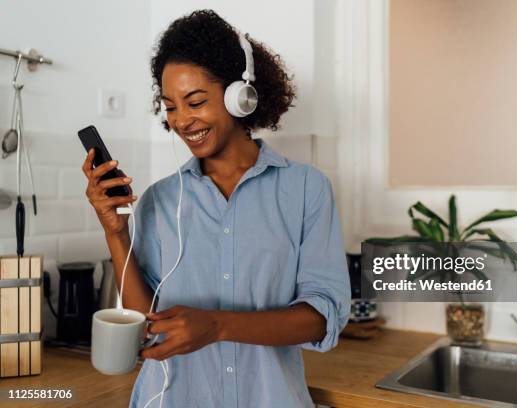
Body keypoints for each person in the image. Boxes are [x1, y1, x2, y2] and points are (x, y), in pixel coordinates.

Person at [82, 9, 350, 408]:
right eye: (170, 106)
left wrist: (218, 326)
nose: (182, 121)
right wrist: (115, 232)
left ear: (238, 97)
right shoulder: (161, 200)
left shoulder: (306, 189)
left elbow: (322, 317)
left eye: (195, 102)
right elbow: (148, 323)